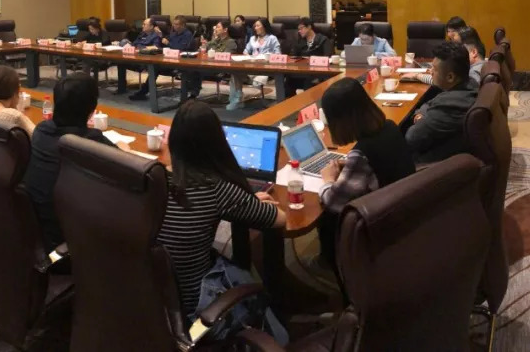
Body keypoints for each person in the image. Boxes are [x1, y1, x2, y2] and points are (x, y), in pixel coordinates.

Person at [156, 100, 286, 322]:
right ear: (217, 143)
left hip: (154, 298)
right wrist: (248, 201)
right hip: (195, 305)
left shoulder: (156, 177)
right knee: (248, 283)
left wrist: (245, 201)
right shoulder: (216, 188)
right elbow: (280, 219)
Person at [314, 78, 415, 271]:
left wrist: (328, 179)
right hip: (403, 208)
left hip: (382, 223)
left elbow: (333, 201)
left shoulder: (360, 154)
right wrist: (349, 166)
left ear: (341, 121)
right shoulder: (389, 126)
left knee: (326, 214)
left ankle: (329, 266)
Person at [25, 73, 129, 250]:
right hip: (73, 243)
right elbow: (128, 170)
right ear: (92, 108)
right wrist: (124, 150)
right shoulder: (90, 143)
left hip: (37, 232)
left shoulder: (42, 131)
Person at [405, 42, 478, 164]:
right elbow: (429, 103)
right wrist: (420, 114)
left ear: (450, 77)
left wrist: (420, 117)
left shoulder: (450, 105)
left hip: (433, 164)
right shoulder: (469, 83)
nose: (430, 72)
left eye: (434, 69)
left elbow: (412, 137)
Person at [130, 16, 196, 101]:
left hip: (181, 62)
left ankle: (143, 92)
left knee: (155, 68)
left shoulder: (188, 35)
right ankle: (143, 92)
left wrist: (168, 43)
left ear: (183, 25)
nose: (174, 26)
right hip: (169, 59)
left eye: (176, 24)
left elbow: (181, 49)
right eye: (173, 24)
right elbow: (164, 42)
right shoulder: (173, 34)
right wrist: (161, 35)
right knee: (154, 67)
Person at [228, 19, 280, 111]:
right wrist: (247, 54)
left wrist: (267, 57)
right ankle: (237, 100)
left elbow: (278, 54)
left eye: (258, 26)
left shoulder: (272, 38)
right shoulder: (252, 39)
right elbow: (246, 51)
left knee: (257, 82)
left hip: (266, 68)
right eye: (255, 26)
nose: (255, 28)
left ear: (264, 27)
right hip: (251, 66)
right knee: (235, 73)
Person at [285, 17, 331, 96]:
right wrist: (295, 44)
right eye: (298, 29)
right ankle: (289, 102)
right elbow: (293, 56)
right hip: (302, 72)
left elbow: (328, 57)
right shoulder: (300, 41)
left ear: (309, 27)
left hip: (318, 73)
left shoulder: (323, 40)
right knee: (288, 80)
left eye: (301, 28)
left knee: (308, 82)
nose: (299, 31)